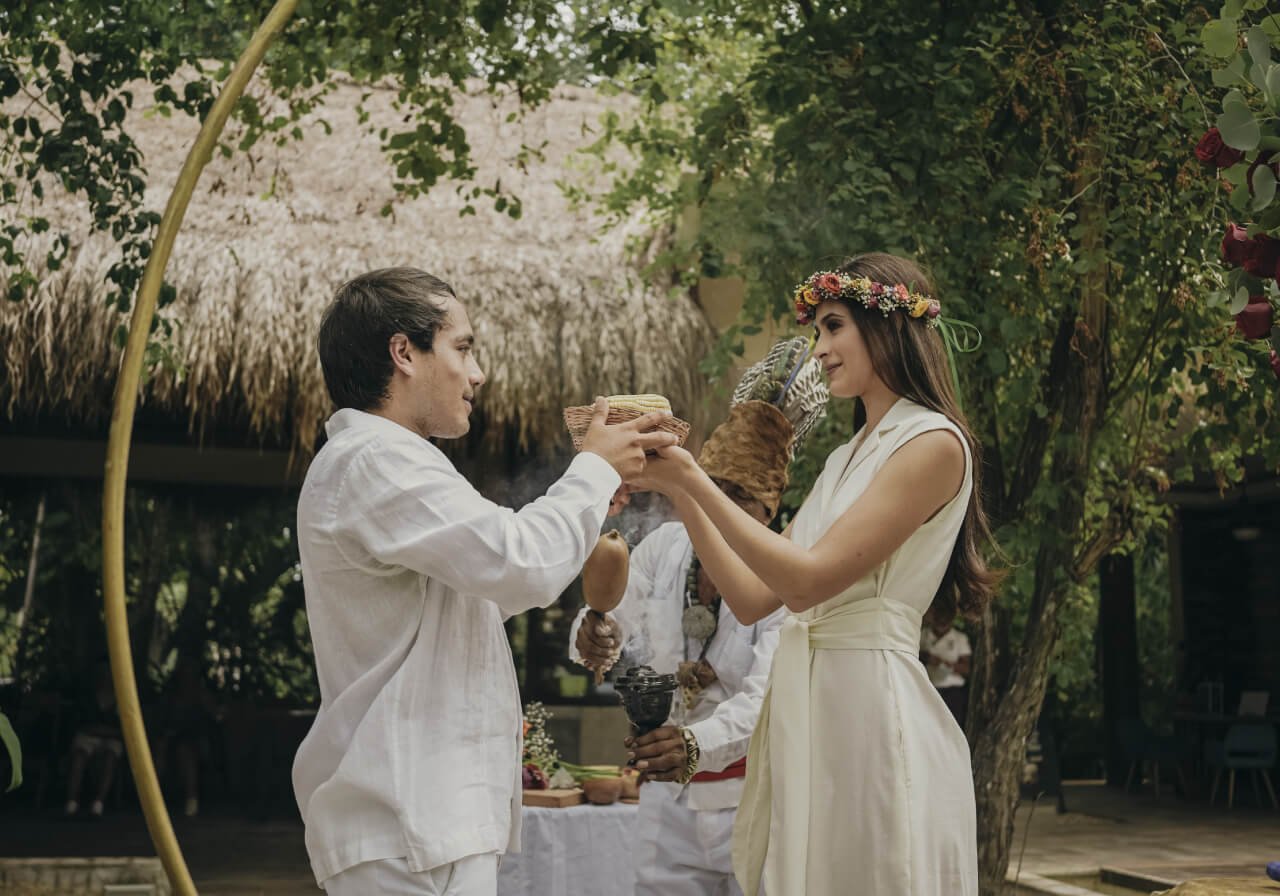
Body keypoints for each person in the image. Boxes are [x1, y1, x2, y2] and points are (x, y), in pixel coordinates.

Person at [291, 267, 676, 895]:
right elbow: (516, 560)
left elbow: (476, 592)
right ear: (403, 353)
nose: (478, 373)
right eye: (463, 347)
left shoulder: (396, 462)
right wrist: (592, 472)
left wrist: (588, 503)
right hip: (403, 821)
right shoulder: (373, 459)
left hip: (426, 821)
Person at [630, 253, 1001, 895]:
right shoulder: (843, 460)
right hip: (809, 707)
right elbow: (753, 598)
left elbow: (806, 582)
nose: (820, 349)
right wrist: (682, 493)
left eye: (834, 327)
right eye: (818, 332)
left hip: (870, 707)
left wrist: (693, 475)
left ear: (889, 326)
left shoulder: (934, 443)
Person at [572, 380, 822, 896]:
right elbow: (613, 612)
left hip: (755, 799)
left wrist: (693, 745)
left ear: (768, 514)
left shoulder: (784, 579)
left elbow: (765, 700)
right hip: (668, 802)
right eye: (714, 489)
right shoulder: (665, 546)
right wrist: (591, 631)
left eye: (740, 499)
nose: (719, 507)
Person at [64, 658, 124, 818]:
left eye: (108, 673)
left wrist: (103, 731)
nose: (105, 677)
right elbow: (81, 725)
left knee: (111, 757)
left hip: (112, 739)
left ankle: (98, 803)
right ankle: (71, 802)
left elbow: (123, 730)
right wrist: (102, 730)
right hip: (87, 737)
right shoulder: (86, 696)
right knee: (79, 757)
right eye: (101, 673)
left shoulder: (122, 697)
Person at [920, 609, 972, 729]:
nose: (942, 622)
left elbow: (966, 668)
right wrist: (927, 657)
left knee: (951, 727)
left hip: (952, 692)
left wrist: (943, 663)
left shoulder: (959, 638)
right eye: (938, 618)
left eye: (946, 619)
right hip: (928, 688)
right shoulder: (923, 635)